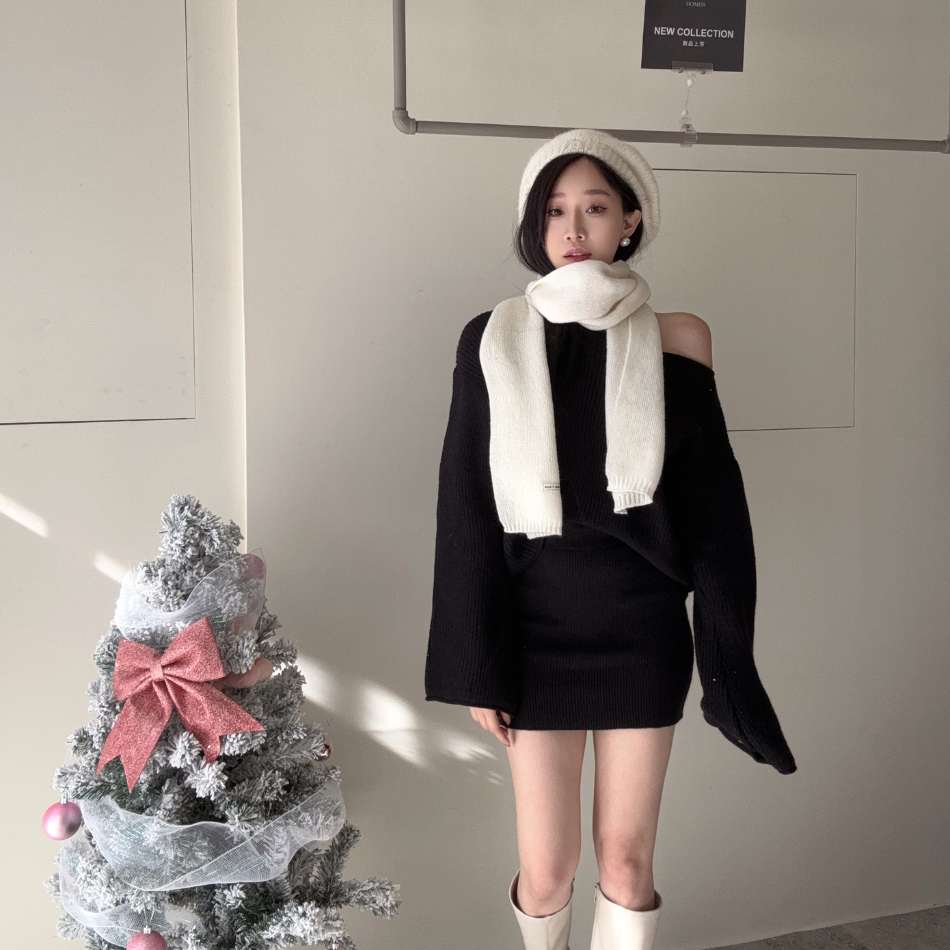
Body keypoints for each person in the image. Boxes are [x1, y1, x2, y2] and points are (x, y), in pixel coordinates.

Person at [424, 128, 796, 950]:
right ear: (536, 224)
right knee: (548, 867)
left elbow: (715, 511)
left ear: (630, 221)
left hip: (642, 627)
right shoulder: (490, 338)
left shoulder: (679, 336)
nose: (574, 227)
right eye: (555, 209)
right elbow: (466, 509)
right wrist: (476, 660)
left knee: (626, 863)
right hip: (535, 633)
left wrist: (728, 654)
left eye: (594, 208)